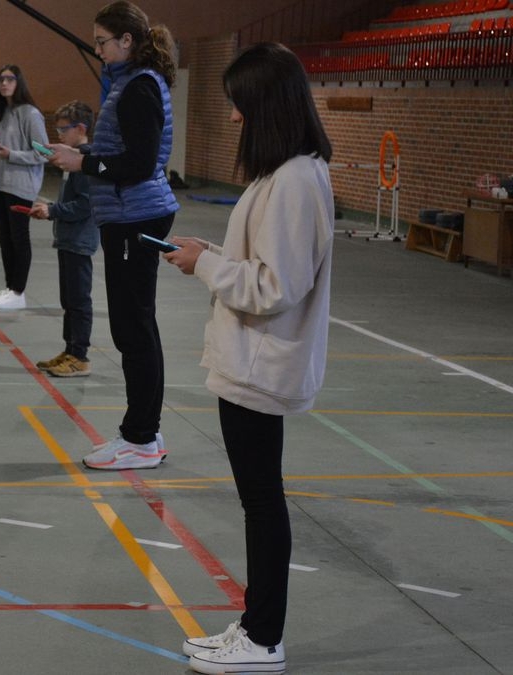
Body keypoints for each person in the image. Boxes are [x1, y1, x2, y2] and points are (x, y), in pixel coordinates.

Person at [163, 42, 334, 675]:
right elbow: (265, 264)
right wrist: (210, 251)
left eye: (240, 105)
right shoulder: (286, 172)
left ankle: (263, 639)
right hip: (253, 360)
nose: (235, 117)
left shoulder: (295, 180)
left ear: (268, 104)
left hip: (262, 364)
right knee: (258, 500)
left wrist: (205, 265)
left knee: (262, 502)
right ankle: (256, 626)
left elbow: (274, 287)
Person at [47, 1, 179, 469]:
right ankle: (143, 432)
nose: (98, 50)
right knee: (135, 326)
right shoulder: (132, 82)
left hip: (135, 218)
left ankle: (140, 439)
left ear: (127, 40)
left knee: (133, 329)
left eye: (103, 42)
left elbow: (140, 163)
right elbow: (126, 151)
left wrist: (83, 161)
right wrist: (83, 153)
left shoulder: (140, 86)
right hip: (128, 216)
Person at [0, 65, 49, 310]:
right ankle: (10, 288)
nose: (4, 83)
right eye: (1, 80)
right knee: (4, 238)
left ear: (19, 83)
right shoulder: (1, 113)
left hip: (19, 186)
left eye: (10, 79)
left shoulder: (30, 114)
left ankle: (18, 291)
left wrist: (12, 155)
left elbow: (44, 152)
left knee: (18, 238)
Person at [31, 101, 97, 378]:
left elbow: (85, 205)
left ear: (80, 129)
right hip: (68, 239)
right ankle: (69, 350)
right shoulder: (72, 160)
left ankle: (80, 356)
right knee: (68, 300)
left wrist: (53, 211)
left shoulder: (85, 161)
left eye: (63, 129)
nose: (58, 135)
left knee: (79, 301)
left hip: (80, 241)